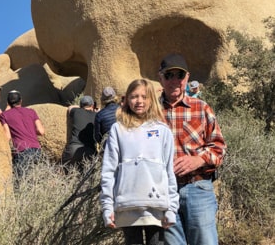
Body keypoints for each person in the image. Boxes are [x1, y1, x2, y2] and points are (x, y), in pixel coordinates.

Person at [100, 78, 179, 245]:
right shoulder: (118, 129)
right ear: (127, 99)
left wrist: (171, 208)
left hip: (156, 206)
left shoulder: (162, 131)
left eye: (144, 96)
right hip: (127, 205)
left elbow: (168, 172)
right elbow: (108, 170)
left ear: (151, 99)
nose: (139, 101)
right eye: (134, 96)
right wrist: (107, 207)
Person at [158, 54, 226, 245]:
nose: (174, 80)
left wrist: (198, 160)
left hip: (198, 188)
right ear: (160, 78)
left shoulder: (201, 107)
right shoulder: (151, 111)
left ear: (186, 77)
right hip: (164, 194)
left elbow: (219, 146)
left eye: (179, 75)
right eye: (168, 75)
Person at [0, 90, 45, 177]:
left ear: (8, 102)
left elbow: (7, 136)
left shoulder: (4, 115)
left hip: (21, 150)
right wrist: (29, 131)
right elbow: (41, 131)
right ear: (21, 100)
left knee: (22, 182)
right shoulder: (31, 111)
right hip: (37, 149)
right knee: (37, 180)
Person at [62, 95, 97, 173]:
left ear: (81, 105)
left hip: (73, 149)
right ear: (92, 105)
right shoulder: (96, 115)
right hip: (89, 151)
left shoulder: (76, 111)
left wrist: (80, 107)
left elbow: (70, 107)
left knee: (65, 174)